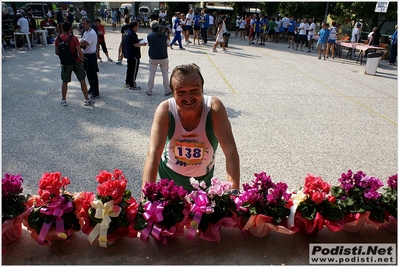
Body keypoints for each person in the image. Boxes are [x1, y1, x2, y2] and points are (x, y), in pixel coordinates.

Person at [141, 63, 240, 192]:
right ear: (172, 92)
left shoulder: (214, 108)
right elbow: (153, 153)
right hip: (169, 181)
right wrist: (146, 196)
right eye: (181, 92)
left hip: (203, 184)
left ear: (202, 89)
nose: (188, 98)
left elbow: (230, 150)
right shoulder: (165, 110)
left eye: (194, 90)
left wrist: (234, 193)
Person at [55, 21, 93, 107]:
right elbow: (79, 51)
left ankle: (63, 99)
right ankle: (86, 99)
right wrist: (82, 59)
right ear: (70, 29)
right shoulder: (74, 39)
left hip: (65, 63)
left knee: (65, 82)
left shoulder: (58, 39)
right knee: (82, 80)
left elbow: (57, 52)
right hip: (76, 62)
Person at [145, 21, 172, 96]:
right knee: (165, 74)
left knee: (151, 74)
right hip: (163, 56)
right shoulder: (164, 35)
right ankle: (167, 90)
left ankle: (149, 90)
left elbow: (149, 44)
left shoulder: (149, 36)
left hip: (153, 57)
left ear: (151, 28)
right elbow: (169, 44)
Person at [124, 20, 147, 90]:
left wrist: (139, 40)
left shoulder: (127, 32)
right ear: (134, 26)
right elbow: (135, 44)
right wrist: (143, 44)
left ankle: (128, 81)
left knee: (129, 69)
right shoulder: (133, 34)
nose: (138, 27)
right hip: (134, 55)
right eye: (138, 26)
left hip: (129, 54)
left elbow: (133, 41)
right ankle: (132, 84)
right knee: (134, 69)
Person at [80, 18, 100, 100]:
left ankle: (96, 92)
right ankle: (92, 88)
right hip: (86, 55)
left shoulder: (91, 33)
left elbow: (83, 43)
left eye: (84, 23)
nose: (82, 25)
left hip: (91, 56)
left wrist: (79, 44)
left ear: (89, 24)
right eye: (82, 23)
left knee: (93, 75)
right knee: (88, 74)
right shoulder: (85, 32)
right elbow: (81, 41)